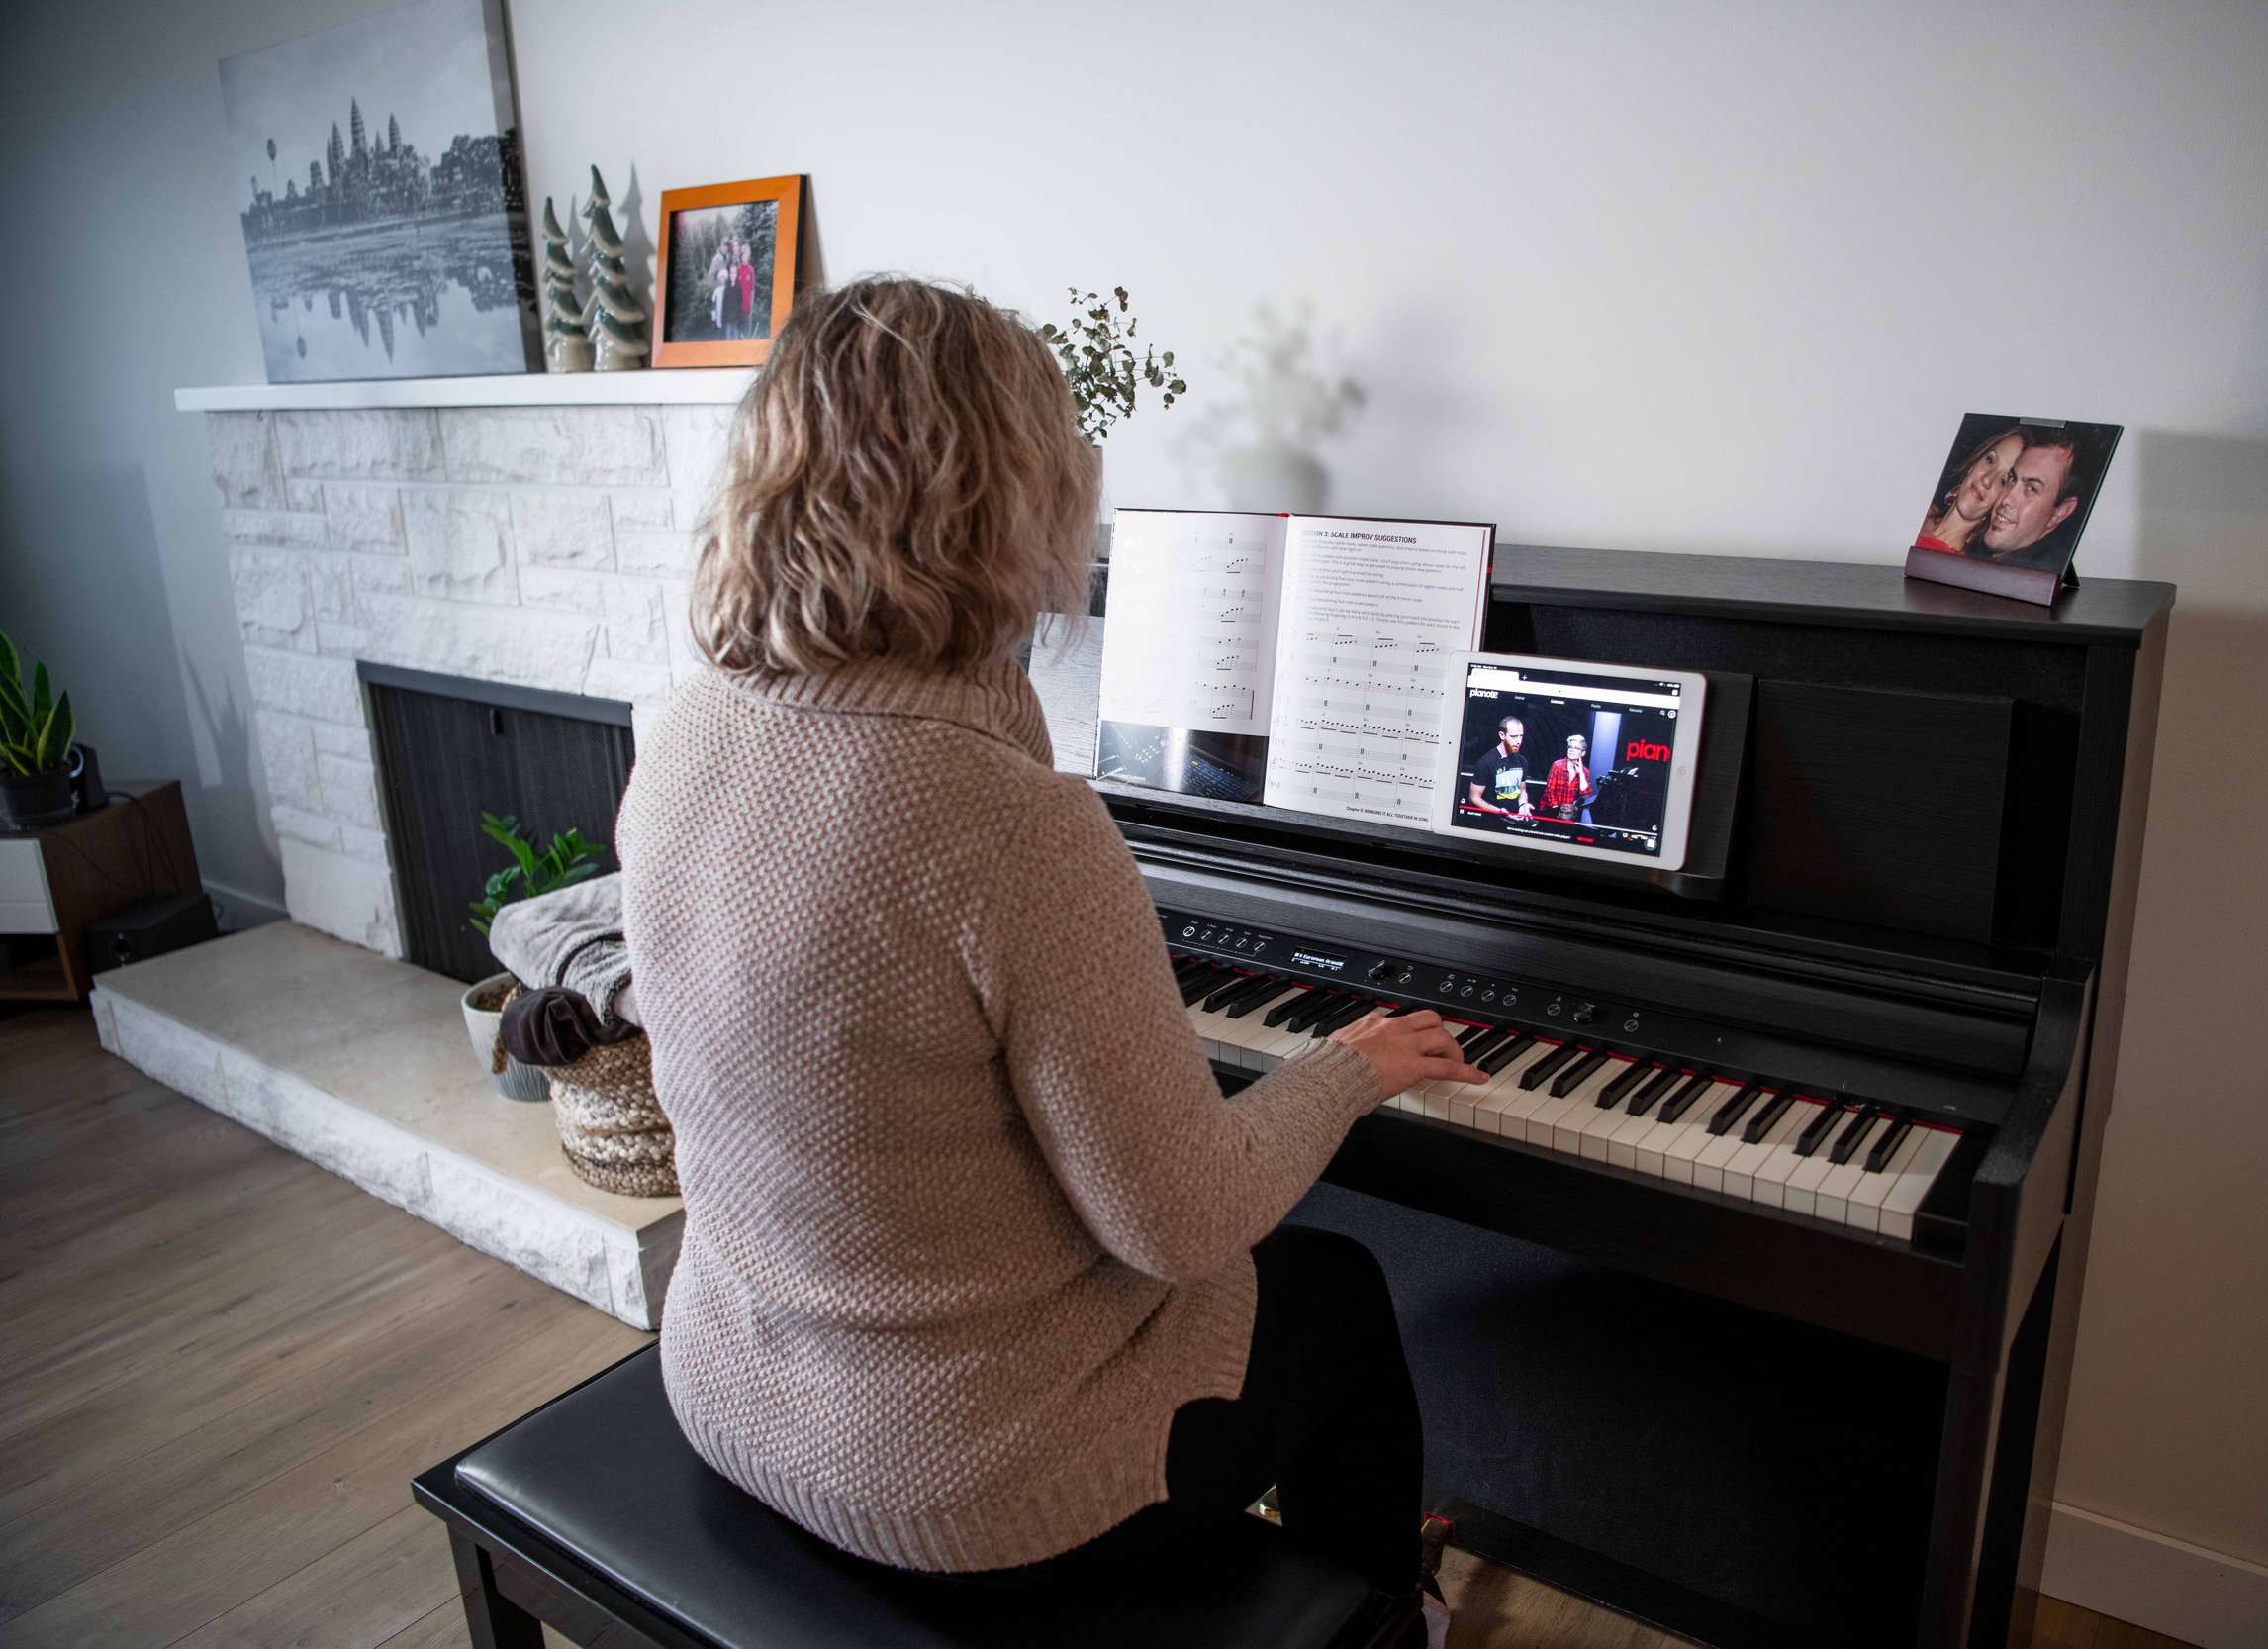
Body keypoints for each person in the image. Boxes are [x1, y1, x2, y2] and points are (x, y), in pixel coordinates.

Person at [619, 280, 1476, 1631]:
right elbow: (1180, 1220)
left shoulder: (683, 732)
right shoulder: (1009, 826)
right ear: (1005, 498)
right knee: (1344, 1293)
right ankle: (1379, 1624)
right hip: (963, 1485)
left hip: (736, 1384)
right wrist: (1347, 1065)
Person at [1974, 427, 2086, 562]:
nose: (2006, 499)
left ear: (2060, 512)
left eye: (2032, 488)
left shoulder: (2037, 576)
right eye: (2012, 479)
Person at [1914, 425, 2026, 555]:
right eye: (1990, 460)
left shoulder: (1953, 566)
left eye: (2003, 481)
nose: (1987, 480)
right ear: (1974, 463)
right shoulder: (1915, 507)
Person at [1465, 717, 1532, 816]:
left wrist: (1523, 804)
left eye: (1520, 736)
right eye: (1513, 737)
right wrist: (1498, 811)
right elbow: (1474, 798)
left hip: (1515, 817)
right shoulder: (1486, 762)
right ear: (1502, 735)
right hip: (1493, 819)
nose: (1518, 741)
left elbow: (1522, 790)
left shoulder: (1522, 761)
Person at [1544, 733, 1594, 822]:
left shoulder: (1585, 771)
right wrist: (1556, 809)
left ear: (1583, 753)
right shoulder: (1557, 765)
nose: (1572, 750)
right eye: (1570, 747)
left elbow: (1586, 796)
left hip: (1571, 814)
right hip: (1552, 809)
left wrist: (1581, 774)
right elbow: (1549, 790)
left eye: (1577, 748)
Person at [736, 242, 759, 339]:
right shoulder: (738, 269)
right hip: (738, 304)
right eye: (743, 255)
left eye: (746, 255)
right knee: (739, 327)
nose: (744, 257)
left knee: (746, 326)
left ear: (748, 256)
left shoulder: (751, 270)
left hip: (747, 303)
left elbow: (752, 289)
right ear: (741, 256)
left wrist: (751, 302)